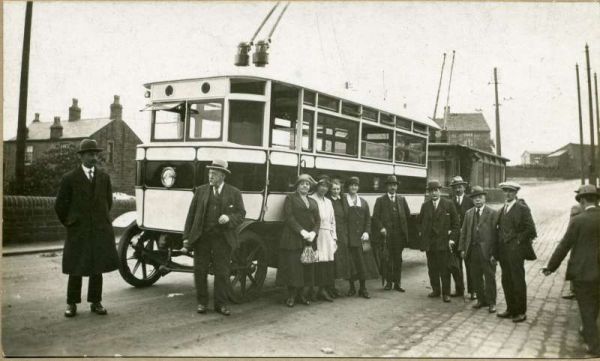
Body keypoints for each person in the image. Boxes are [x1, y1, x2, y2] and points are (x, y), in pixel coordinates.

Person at [54, 138, 119, 318]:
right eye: (90, 154)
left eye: (95, 154)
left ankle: (95, 302)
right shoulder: (69, 178)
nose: (93, 158)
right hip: (79, 230)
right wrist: (70, 222)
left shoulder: (104, 178)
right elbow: (60, 205)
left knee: (97, 268)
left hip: (99, 229)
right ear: (81, 157)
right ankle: (72, 303)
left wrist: (100, 219)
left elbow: (108, 202)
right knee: (76, 268)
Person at [182, 159, 246, 316]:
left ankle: (221, 304)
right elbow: (191, 215)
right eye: (210, 173)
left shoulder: (234, 192)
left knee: (222, 273)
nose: (210, 176)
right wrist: (186, 238)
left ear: (223, 176)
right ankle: (202, 303)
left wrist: (229, 218)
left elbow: (241, 214)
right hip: (202, 238)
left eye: (214, 174)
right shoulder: (201, 191)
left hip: (222, 239)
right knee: (200, 271)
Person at [542, 185, 600, 357]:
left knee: (586, 308)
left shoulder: (578, 220)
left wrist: (550, 267)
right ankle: (588, 332)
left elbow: (564, 245)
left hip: (582, 273)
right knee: (595, 304)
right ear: (596, 200)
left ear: (582, 201)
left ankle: (594, 346)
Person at [275, 174, 319, 307]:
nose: (305, 186)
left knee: (306, 268)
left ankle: (302, 295)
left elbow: (318, 220)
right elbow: (289, 217)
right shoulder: (290, 198)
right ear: (297, 186)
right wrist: (301, 231)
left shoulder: (313, 201)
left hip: (308, 240)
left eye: (307, 184)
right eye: (302, 184)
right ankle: (291, 296)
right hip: (292, 238)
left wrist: (313, 233)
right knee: (294, 268)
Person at [496, 181, 537, 323]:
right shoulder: (503, 209)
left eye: (511, 192)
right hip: (503, 251)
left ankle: (520, 311)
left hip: (516, 251)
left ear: (515, 193)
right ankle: (510, 308)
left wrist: (518, 241)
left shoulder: (522, 208)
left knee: (517, 279)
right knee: (506, 279)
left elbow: (531, 229)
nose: (507, 194)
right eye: (505, 191)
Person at [458, 186, 499, 313]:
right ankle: (481, 300)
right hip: (473, 250)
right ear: (472, 200)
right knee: (475, 276)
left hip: (487, 251)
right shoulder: (469, 213)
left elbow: (497, 236)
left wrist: (495, 253)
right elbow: (464, 232)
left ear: (484, 198)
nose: (478, 200)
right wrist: (462, 249)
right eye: (475, 198)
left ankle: (492, 302)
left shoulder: (492, 213)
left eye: (480, 197)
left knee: (489, 277)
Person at [418, 180, 459, 303]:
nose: (434, 193)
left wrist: (452, 239)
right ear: (429, 193)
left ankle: (446, 293)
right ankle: (436, 290)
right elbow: (419, 222)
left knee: (444, 269)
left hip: (443, 243)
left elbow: (456, 224)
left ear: (440, 191)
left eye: (436, 190)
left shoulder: (448, 204)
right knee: (432, 268)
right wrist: (423, 235)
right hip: (430, 244)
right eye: (431, 191)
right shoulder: (425, 206)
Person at [372, 175, 411, 292]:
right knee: (387, 259)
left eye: (394, 185)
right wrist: (381, 228)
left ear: (397, 186)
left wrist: (405, 231)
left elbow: (407, 216)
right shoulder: (380, 200)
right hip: (386, 236)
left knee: (398, 259)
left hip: (399, 236)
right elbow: (375, 218)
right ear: (387, 187)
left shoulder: (402, 200)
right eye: (390, 185)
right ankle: (388, 282)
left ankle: (397, 283)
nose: (392, 187)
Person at [345, 176, 376, 299]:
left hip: (364, 238)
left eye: (356, 185)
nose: (354, 187)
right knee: (351, 263)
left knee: (365, 262)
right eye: (352, 185)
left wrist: (367, 232)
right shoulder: (343, 200)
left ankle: (363, 288)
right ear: (348, 187)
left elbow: (368, 219)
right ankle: (352, 287)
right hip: (349, 237)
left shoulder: (363, 202)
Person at [311, 176, 337, 302]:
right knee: (315, 262)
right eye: (322, 185)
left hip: (327, 236)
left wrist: (334, 237)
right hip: (315, 235)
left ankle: (323, 290)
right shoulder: (311, 199)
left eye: (326, 186)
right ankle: (313, 291)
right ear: (317, 186)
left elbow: (333, 221)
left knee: (326, 264)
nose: (324, 188)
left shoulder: (328, 202)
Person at [450, 175, 475, 299]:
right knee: (455, 265)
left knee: (470, 265)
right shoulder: (450, 201)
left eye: (460, 187)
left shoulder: (470, 201)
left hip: (467, 238)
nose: (458, 190)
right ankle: (459, 289)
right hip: (455, 238)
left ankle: (473, 291)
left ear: (464, 187)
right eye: (455, 187)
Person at [329, 178, 351, 296]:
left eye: (338, 189)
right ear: (330, 190)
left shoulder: (342, 200)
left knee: (340, 260)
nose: (336, 191)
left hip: (342, 233)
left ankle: (336, 287)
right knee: (333, 260)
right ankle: (331, 287)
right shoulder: (328, 201)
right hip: (332, 233)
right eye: (333, 189)